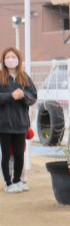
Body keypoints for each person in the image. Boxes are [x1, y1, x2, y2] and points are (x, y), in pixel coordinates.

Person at [0, 47, 37, 194]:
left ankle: (17, 180)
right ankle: (8, 183)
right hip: (4, 124)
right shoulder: (1, 76)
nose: (10, 59)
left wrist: (23, 95)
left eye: (13, 57)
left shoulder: (24, 77)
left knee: (20, 154)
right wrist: (10, 95)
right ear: (3, 60)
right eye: (7, 57)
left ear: (18, 59)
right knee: (6, 154)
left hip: (21, 123)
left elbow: (33, 96)